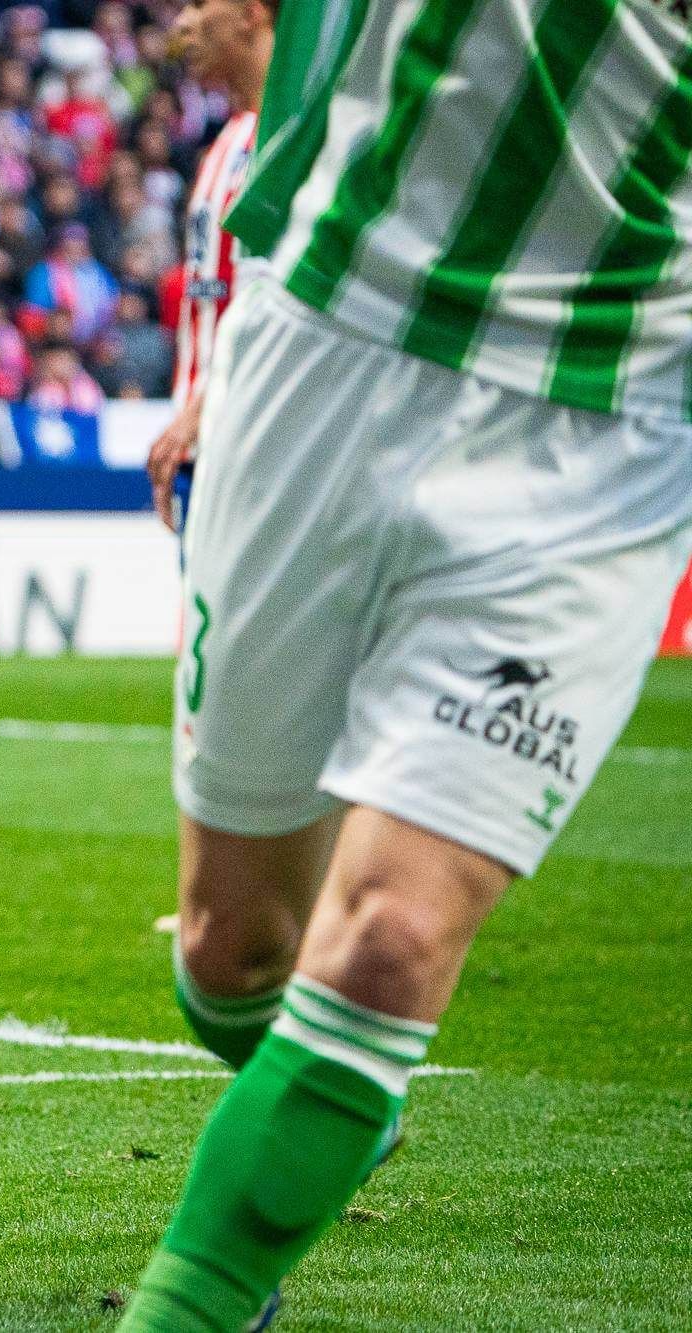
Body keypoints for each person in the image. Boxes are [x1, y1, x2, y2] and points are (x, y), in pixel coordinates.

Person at [121, 1, 692, 1327]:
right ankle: (320, 1107)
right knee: (230, 950)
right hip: (331, 332)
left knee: (390, 938)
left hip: (605, 420)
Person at [144, 0, 271, 535]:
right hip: (208, 443)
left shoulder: (289, 140)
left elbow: (277, 297)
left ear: (250, 13)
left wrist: (205, 405)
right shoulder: (228, 140)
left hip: (256, 444)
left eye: (200, 4)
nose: (183, 23)